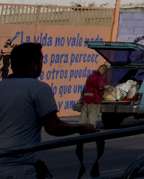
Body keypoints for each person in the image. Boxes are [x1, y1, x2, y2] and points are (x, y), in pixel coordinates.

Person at [0, 42, 94, 178]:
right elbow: (53, 128)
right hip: (21, 167)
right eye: (41, 61)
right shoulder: (39, 88)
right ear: (34, 64)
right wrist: (80, 128)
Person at [79, 63, 109, 130]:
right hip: (94, 100)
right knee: (92, 116)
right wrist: (107, 87)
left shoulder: (91, 76)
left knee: (84, 116)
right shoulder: (100, 78)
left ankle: (82, 128)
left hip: (86, 99)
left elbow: (86, 87)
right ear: (104, 71)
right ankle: (91, 129)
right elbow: (101, 86)